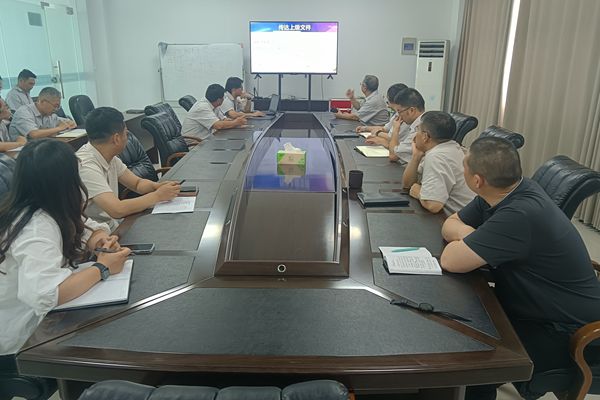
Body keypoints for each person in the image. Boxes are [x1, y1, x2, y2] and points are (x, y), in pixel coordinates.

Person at [440, 137, 600, 400]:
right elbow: (451, 223)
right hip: (536, 306)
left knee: (475, 360)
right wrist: (473, 236)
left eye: (464, 167)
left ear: (477, 180)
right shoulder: (503, 191)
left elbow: (450, 260)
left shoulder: (520, 214)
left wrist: (469, 241)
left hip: (568, 329)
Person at [0, 139, 131, 356]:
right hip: (23, 337)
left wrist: (99, 240)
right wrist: (102, 268)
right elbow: (46, 295)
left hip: (46, 318)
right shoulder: (34, 228)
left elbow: (85, 225)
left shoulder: (47, 203)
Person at [77, 107, 181, 230]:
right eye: (126, 133)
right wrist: (158, 196)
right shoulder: (85, 166)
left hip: (111, 225)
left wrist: (157, 186)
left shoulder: (109, 156)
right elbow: (117, 209)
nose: (127, 137)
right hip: (95, 234)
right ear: (116, 138)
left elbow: (137, 184)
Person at [402, 111, 474, 215]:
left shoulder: (437, 156)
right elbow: (407, 185)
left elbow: (433, 205)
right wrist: (416, 157)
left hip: (455, 219)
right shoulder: (449, 147)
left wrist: (418, 192)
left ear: (425, 136)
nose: (415, 135)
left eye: (417, 129)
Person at [181, 84, 247, 144]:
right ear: (219, 100)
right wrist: (236, 122)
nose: (224, 99)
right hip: (195, 144)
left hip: (206, 140)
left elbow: (223, 119)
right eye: (223, 98)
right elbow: (218, 125)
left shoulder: (214, 105)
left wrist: (235, 122)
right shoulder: (202, 107)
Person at [8, 86, 75, 140]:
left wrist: (69, 123)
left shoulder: (49, 114)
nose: (56, 109)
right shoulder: (24, 112)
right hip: (23, 150)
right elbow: (34, 134)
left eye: (58, 107)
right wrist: (59, 128)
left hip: (42, 146)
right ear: (42, 102)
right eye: (55, 106)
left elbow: (61, 121)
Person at [358, 83, 410, 151]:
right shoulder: (398, 114)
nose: (388, 106)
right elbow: (385, 128)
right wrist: (365, 128)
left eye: (388, 102)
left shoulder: (406, 117)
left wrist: (377, 133)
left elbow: (392, 137)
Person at [387, 88, 425, 163]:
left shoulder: (420, 128)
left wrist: (395, 130)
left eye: (399, 112)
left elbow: (393, 155)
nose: (399, 116)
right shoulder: (422, 121)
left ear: (411, 110)